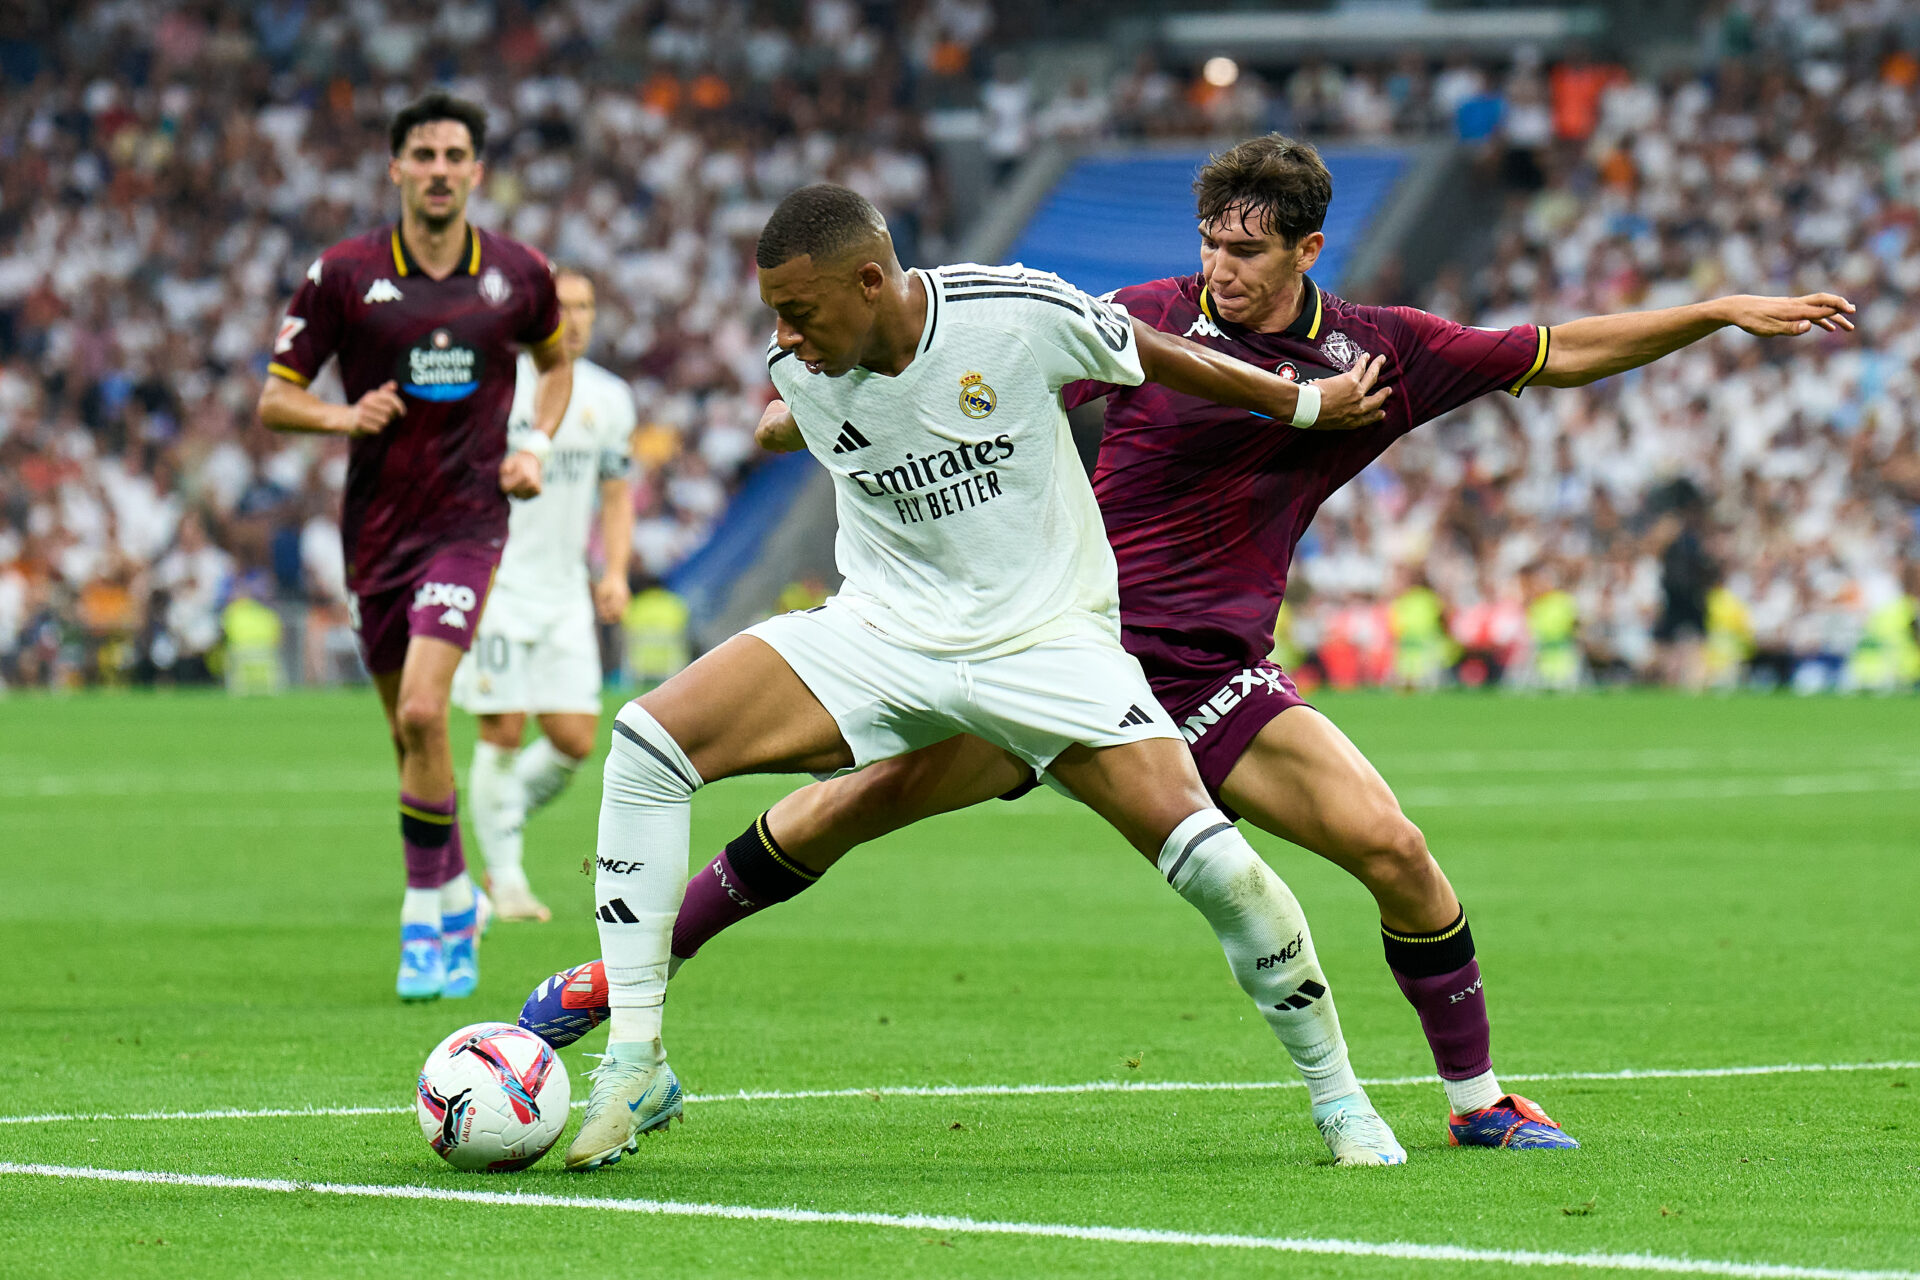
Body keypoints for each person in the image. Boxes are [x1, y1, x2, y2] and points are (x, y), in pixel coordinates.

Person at [538, 134, 1855, 1151]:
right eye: (1212, 242)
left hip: (1214, 676)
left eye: (1248, 249)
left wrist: (1715, 311)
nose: (1221, 267)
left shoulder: (1383, 353)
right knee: (839, 813)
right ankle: (617, 982)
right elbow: (963, 371)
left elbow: (1554, 351)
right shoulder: (1145, 314)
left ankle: (1477, 1099)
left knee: (1393, 849)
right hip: (1055, 652)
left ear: (1307, 248)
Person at [562, 181, 1403, 1173]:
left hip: (1046, 643)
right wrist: (782, 417)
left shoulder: (1012, 311)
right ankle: (633, 1062)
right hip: (884, 629)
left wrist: (1302, 400)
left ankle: (1341, 1096)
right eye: (774, 317)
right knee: (649, 743)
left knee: (1220, 867)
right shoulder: (804, 363)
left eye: (799, 311)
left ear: (872, 280)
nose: (783, 335)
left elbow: (1154, 353)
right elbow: (789, 411)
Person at [258, 90, 572, 1002]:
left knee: (429, 714)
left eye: (454, 155)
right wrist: (341, 414)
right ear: (396, 168)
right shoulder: (344, 275)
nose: (439, 170)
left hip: (469, 526)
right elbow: (276, 396)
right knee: (408, 733)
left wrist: (535, 446)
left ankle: (426, 913)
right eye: (423, 155)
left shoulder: (518, 274)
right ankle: (459, 893)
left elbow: (557, 368)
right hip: (376, 534)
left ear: (478, 171)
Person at [454, 268, 636, 923]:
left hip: (564, 592)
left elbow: (616, 495)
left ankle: (494, 821)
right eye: (565, 306)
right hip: (497, 586)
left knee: (574, 739)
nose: (578, 318)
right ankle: (505, 880)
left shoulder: (611, 398)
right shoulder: (499, 387)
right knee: (502, 730)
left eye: (587, 306)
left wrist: (613, 572)